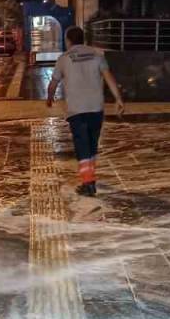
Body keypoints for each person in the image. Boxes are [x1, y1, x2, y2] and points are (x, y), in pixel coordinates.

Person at [47, 26, 125, 196]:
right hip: (96, 108)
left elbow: (53, 83)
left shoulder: (64, 58)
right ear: (83, 39)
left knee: (82, 145)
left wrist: (49, 97)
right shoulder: (97, 55)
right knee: (91, 144)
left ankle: (88, 183)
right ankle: (90, 178)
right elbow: (109, 76)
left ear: (68, 40)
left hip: (76, 110)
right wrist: (118, 98)